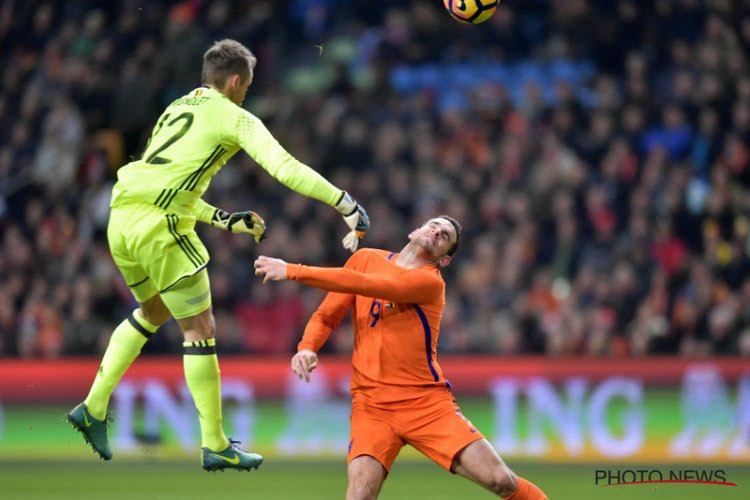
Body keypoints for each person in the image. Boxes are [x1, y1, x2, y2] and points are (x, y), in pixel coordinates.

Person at [67, 39, 370, 472]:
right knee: (201, 327)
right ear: (233, 82)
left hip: (121, 218)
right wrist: (345, 204)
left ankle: (92, 408)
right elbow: (283, 166)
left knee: (152, 310)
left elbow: (169, 179)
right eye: (245, 87)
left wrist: (224, 219)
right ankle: (215, 444)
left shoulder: (176, 108)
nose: (245, 95)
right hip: (160, 225)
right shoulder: (234, 116)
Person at [253, 216, 547, 499]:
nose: (436, 232)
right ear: (414, 230)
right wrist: (307, 346)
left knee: (500, 480)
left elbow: (367, 285)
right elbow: (327, 314)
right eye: (434, 225)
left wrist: (292, 270)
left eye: (445, 236)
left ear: (445, 259)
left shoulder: (430, 282)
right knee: (359, 494)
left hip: (425, 403)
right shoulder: (365, 259)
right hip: (371, 405)